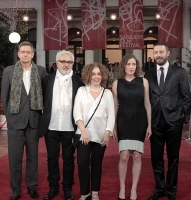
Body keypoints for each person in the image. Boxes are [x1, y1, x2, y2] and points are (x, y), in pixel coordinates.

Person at [1, 41, 47, 200]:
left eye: (29, 52)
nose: (26, 54)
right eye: (23, 52)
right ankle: (15, 190)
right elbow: (4, 97)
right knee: (14, 159)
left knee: (33, 158)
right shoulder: (8, 71)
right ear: (18, 54)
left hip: (33, 121)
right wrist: (9, 117)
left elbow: (46, 95)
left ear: (33, 54)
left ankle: (32, 186)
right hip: (15, 122)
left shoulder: (40, 71)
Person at [144, 43, 191, 200]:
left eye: (161, 52)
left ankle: (171, 191)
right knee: (156, 157)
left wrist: (182, 118)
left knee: (173, 157)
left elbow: (186, 97)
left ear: (168, 53)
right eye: (155, 52)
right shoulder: (148, 74)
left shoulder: (180, 72)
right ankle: (159, 188)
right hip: (155, 122)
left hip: (174, 122)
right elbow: (146, 99)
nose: (158, 55)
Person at [38, 50, 84, 200]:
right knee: (52, 159)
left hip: (70, 127)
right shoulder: (47, 80)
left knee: (69, 159)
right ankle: (53, 188)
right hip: (51, 127)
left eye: (69, 62)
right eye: (63, 61)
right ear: (57, 63)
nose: (66, 64)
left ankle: (67, 189)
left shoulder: (78, 81)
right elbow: (42, 100)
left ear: (72, 63)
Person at [73, 62, 115, 200]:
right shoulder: (81, 91)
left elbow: (111, 115)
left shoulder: (107, 93)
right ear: (88, 75)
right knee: (83, 163)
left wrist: (107, 132)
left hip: (101, 134)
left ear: (102, 75)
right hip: (84, 134)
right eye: (93, 74)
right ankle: (85, 193)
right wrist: (84, 131)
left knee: (97, 164)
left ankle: (95, 192)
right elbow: (77, 113)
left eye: (99, 73)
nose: (96, 76)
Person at [112, 54, 152, 200]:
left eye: (133, 64)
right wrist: (113, 126)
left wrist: (149, 125)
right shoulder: (117, 83)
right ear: (124, 66)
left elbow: (147, 104)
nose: (131, 67)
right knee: (123, 157)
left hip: (140, 121)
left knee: (136, 156)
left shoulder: (144, 82)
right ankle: (122, 187)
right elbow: (115, 106)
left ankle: (134, 189)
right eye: (128, 64)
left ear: (137, 66)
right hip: (123, 121)